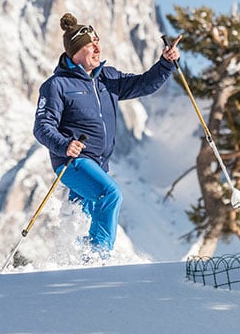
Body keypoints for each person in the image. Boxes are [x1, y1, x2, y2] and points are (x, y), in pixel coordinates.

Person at [32, 13, 180, 255]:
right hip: (73, 162)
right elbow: (42, 126)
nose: (97, 47)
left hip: (99, 164)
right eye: (90, 44)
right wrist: (64, 144)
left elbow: (143, 84)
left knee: (81, 218)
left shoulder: (107, 78)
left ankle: (74, 261)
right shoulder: (57, 85)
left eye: (97, 41)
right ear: (75, 51)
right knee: (109, 195)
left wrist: (165, 63)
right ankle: (100, 259)